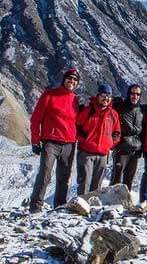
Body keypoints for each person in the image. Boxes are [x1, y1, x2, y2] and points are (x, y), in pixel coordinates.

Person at [29, 67, 81, 213]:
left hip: (69, 143)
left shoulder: (75, 100)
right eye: (69, 78)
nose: (72, 81)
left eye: (75, 80)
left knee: (64, 177)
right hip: (50, 141)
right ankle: (35, 206)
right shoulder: (49, 95)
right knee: (45, 173)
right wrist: (35, 140)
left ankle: (59, 206)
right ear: (64, 79)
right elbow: (36, 119)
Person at [76, 83, 121, 195]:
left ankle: (92, 207)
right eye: (103, 95)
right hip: (87, 153)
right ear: (98, 96)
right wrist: (84, 141)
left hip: (103, 154)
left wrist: (110, 144)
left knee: (97, 185)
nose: (106, 98)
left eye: (109, 96)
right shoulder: (88, 111)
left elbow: (117, 132)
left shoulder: (113, 114)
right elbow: (77, 127)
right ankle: (80, 206)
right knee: (84, 182)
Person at [110, 84, 144, 191]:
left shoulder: (141, 110)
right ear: (128, 94)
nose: (135, 96)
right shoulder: (119, 106)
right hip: (121, 148)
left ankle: (125, 204)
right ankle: (110, 203)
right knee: (116, 177)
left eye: (138, 94)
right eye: (132, 93)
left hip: (135, 150)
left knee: (129, 179)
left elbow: (143, 130)